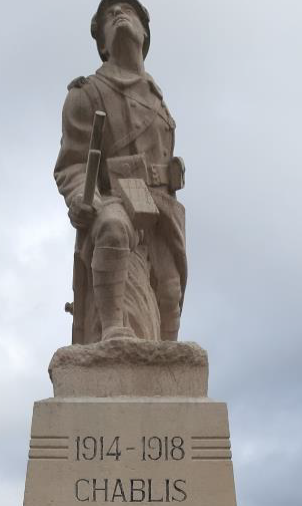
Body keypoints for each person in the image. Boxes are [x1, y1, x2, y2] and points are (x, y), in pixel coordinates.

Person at [55, 1, 187, 343]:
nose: (118, 14)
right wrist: (86, 201)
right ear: (101, 43)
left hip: (160, 205)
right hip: (112, 197)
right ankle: (114, 329)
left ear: (145, 34)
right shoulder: (86, 95)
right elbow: (72, 165)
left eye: (127, 10)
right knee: (113, 229)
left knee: (170, 291)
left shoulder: (158, 99)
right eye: (109, 15)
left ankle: (165, 362)